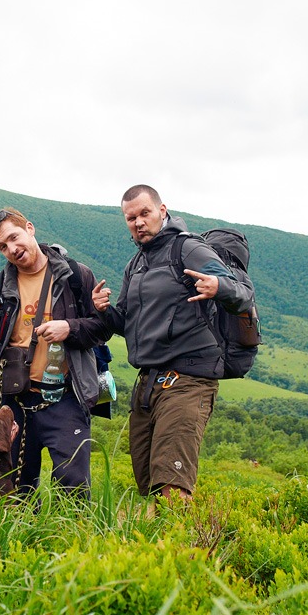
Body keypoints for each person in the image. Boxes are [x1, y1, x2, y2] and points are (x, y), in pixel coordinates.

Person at [92, 185, 254, 501]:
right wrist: (104, 311)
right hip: (149, 383)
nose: (138, 222)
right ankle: (158, 546)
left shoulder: (188, 249)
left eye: (144, 213)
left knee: (172, 484)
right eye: (130, 218)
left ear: (162, 211)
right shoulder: (136, 264)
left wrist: (218, 285)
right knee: (150, 481)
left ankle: (186, 547)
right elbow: (127, 323)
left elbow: (243, 293)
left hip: (189, 379)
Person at [0, 207, 111, 497]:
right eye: (2, 246)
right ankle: (23, 539)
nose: (12, 249)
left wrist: (69, 327)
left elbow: (103, 329)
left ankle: (74, 537)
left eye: (14, 238)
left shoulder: (76, 276)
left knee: (73, 484)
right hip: (16, 400)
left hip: (66, 397)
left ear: (30, 228)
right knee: (16, 486)